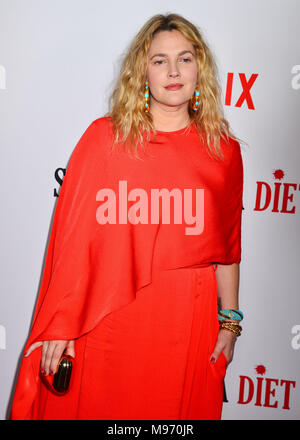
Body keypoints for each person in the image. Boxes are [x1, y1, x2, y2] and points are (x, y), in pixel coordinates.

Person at [9, 13, 244, 420]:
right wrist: (63, 324)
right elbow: (74, 244)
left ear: (199, 68)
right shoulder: (105, 139)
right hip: (110, 316)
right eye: (159, 60)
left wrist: (230, 321)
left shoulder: (223, 151)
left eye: (185, 59)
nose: (173, 71)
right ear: (142, 73)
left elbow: (226, 247)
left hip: (187, 316)